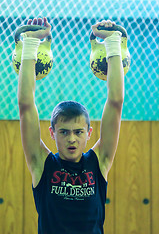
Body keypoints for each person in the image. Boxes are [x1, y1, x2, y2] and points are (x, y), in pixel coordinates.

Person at [18, 17, 124, 234]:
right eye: (64, 132)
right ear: (52, 133)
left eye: (78, 132)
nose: (72, 139)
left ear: (89, 133)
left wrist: (113, 42)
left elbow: (115, 102)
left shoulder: (99, 162)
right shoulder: (42, 165)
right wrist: (30, 44)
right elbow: (26, 106)